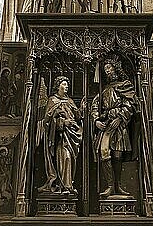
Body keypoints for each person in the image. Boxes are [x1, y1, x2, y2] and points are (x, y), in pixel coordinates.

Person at [91, 57, 140, 198]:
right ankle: (110, 186)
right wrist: (96, 121)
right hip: (106, 124)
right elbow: (95, 106)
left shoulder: (125, 85)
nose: (107, 71)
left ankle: (118, 185)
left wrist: (120, 118)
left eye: (109, 68)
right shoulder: (104, 89)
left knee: (118, 155)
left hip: (119, 125)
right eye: (105, 69)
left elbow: (130, 104)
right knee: (104, 152)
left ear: (116, 68)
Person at [38, 76, 84, 194]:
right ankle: (63, 185)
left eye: (67, 84)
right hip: (59, 137)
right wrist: (63, 123)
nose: (66, 86)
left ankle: (68, 184)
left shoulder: (70, 101)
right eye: (63, 84)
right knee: (65, 157)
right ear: (58, 86)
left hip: (72, 135)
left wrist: (82, 108)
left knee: (70, 158)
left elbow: (77, 116)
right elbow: (47, 121)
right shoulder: (52, 100)